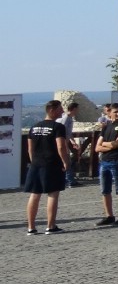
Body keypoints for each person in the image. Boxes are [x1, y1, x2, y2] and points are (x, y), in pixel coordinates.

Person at [25, 100, 70, 235]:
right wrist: (65, 161)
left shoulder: (34, 127)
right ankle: (51, 226)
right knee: (53, 194)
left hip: (36, 164)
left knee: (34, 194)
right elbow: (61, 146)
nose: (62, 111)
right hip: (52, 163)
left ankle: (31, 227)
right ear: (52, 110)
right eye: (60, 109)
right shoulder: (58, 127)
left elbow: (30, 149)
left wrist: (34, 161)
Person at [95, 104, 118, 226]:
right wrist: (110, 145)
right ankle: (109, 215)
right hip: (104, 161)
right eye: (115, 112)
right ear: (109, 112)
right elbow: (97, 147)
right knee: (105, 190)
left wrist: (106, 144)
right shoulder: (106, 127)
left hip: (117, 160)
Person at [58, 101, 79, 185]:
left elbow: (68, 132)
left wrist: (73, 141)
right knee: (66, 160)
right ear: (74, 109)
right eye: (77, 109)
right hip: (63, 142)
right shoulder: (66, 118)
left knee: (67, 160)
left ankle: (68, 179)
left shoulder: (69, 118)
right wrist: (65, 143)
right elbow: (62, 131)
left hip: (64, 142)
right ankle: (69, 180)